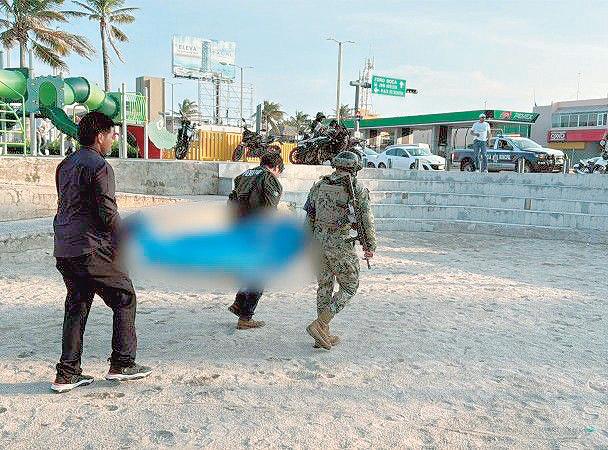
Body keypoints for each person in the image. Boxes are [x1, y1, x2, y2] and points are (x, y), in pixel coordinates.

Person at [51, 111, 151, 393]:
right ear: (100, 136)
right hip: (92, 249)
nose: (113, 139)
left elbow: (72, 206)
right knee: (124, 297)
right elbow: (107, 212)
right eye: (111, 135)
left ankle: (67, 373)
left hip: (65, 248)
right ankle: (123, 363)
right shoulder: (100, 166)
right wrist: (125, 232)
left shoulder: (64, 165)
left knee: (77, 304)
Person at [303, 151, 377, 350]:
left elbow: (309, 217)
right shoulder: (356, 188)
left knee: (324, 286)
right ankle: (321, 324)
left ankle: (322, 335)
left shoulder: (319, 185)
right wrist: (370, 246)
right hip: (340, 244)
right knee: (350, 286)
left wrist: (306, 241)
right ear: (355, 168)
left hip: (317, 242)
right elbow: (366, 219)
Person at [227, 152, 284, 329]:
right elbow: (269, 210)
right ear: (276, 167)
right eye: (279, 172)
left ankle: (239, 303)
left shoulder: (243, 176)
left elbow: (231, 203)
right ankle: (245, 318)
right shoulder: (269, 178)